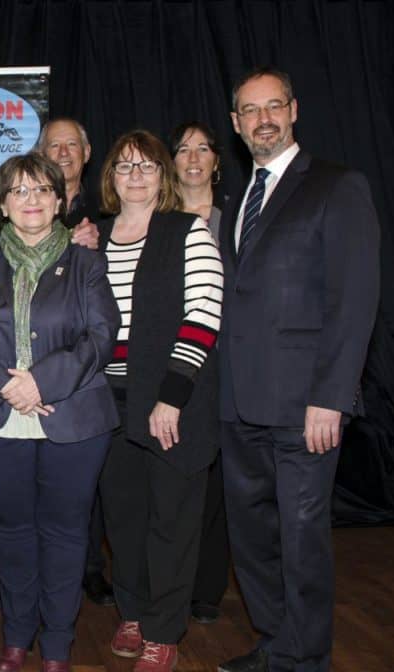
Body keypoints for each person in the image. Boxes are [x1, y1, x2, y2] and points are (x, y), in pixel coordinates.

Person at [217, 67, 379, 672]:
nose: (263, 118)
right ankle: (276, 640)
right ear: (236, 124)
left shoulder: (338, 186)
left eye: (273, 106)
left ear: (293, 110)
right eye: (250, 110)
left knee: (302, 538)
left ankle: (306, 658)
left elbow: (355, 300)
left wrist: (332, 397)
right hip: (237, 403)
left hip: (306, 405)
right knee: (252, 536)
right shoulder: (237, 199)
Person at [0, 153, 120, 672]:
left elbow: (101, 335)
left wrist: (43, 380)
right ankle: (17, 638)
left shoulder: (87, 261)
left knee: (66, 533)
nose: (31, 200)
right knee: (14, 530)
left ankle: (58, 646)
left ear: (60, 200)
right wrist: (6, 385)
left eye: (42, 190)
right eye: (19, 191)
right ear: (1, 202)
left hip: (73, 414)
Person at [95, 130, 224, 672]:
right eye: (125, 166)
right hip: (107, 400)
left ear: (162, 175)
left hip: (173, 400)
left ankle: (164, 630)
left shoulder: (187, 231)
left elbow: (204, 315)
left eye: (147, 165)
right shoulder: (92, 237)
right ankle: (134, 610)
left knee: (172, 518)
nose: (136, 175)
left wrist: (170, 398)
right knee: (123, 516)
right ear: (111, 178)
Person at [38, 116, 114, 607]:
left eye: (72, 145)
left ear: (87, 152)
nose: (63, 152)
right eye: (54, 145)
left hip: (87, 367)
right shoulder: (23, 208)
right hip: (28, 370)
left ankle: (90, 568)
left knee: (90, 486)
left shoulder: (108, 211)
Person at [169, 121, 230, 625]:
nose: (193, 158)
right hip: (171, 369)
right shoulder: (155, 221)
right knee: (173, 484)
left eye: (203, 149)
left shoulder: (235, 222)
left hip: (225, 367)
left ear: (216, 160)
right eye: (183, 150)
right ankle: (169, 583)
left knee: (214, 484)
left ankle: (206, 588)